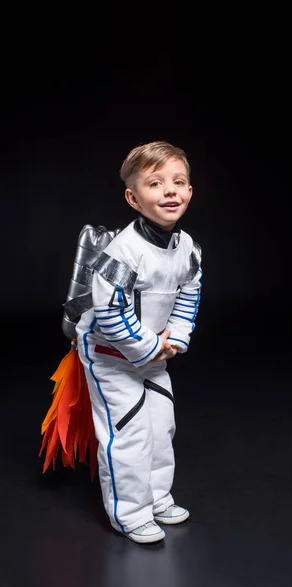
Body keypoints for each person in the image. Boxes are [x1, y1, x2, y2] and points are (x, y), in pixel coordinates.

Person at [75, 140, 202, 544]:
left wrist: (177, 338)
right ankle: (129, 512)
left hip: (154, 356)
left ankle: (155, 495)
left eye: (178, 182)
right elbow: (111, 313)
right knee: (129, 431)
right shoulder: (122, 252)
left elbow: (189, 291)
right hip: (110, 357)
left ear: (189, 192)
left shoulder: (189, 250)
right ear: (133, 197)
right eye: (155, 183)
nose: (170, 191)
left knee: (161, 426)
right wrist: (152, 347)